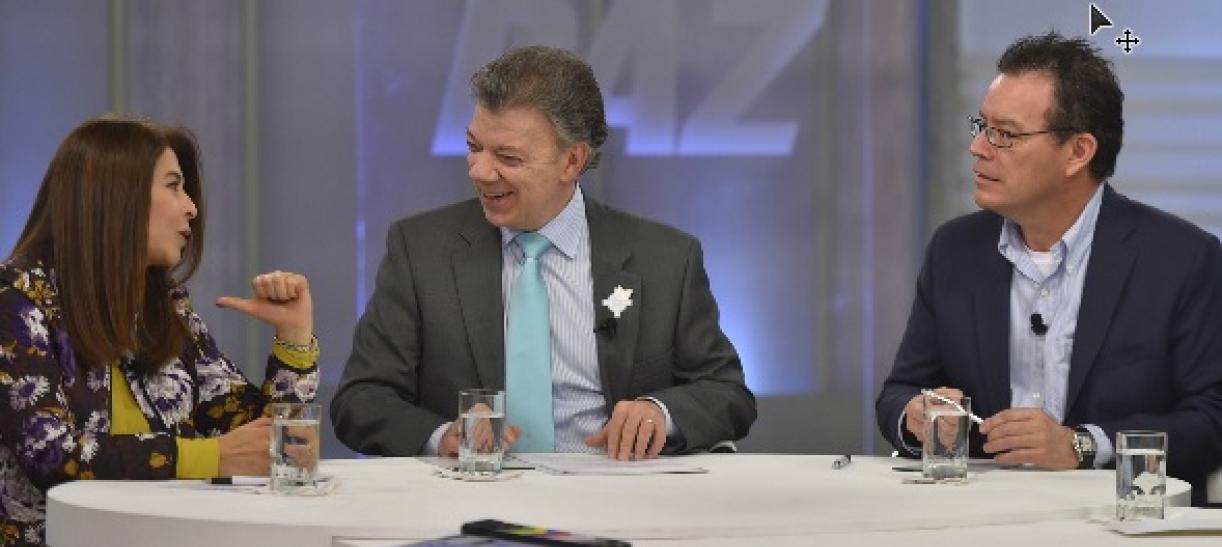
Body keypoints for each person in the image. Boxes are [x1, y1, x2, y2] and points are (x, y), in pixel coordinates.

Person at [331, 46, 755, 460]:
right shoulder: (421, 250)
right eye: (474, 146)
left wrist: (659, 413)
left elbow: (727, 394)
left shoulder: (665, 260)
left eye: (508, 157)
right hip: (472, 492)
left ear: (572, 161)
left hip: (614, 489)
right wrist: (443, 437)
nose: (481, 171)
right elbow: (361, 399)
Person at [876, 32, 1222, 504]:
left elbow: (1210, 420)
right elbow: (899, 392)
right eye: (982, 126)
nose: (978, 147)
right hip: (979, 514)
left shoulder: (1181, 258)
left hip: (1123, 514)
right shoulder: (955, 250)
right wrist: (915, 416)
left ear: (1078, 152)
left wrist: (1082, 445)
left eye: (1005, 134)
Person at [0, 117, 320, 545]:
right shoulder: (17, 298)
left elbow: (272, 444)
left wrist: (294, 340)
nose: (192, 207)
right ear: (116, 195)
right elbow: (51, 454)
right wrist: (209, 456)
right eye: (173, 186)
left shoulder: (165, 306)